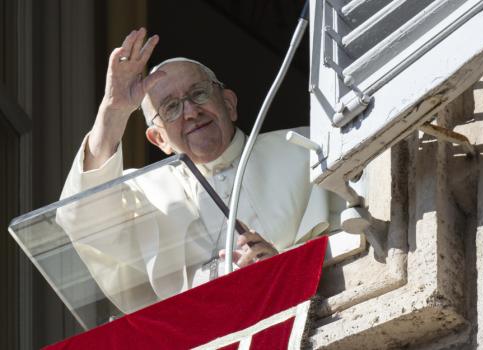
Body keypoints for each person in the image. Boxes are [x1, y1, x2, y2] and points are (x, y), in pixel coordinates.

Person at [58, 28, 330, 313]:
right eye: (171, 107)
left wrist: (286, 268)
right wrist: (113, 111)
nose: (190, 112)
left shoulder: (305, 149)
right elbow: (80, 218)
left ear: (229, 103)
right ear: (159, 139)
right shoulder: (145, 192)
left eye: (199, 94)